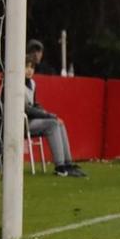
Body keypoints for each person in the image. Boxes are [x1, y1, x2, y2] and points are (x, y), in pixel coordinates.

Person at [23, 38, 85, 178]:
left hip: (31, 120)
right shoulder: (15, 83)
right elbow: (27, 109)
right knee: (52, 124)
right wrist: (47, 116)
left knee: (59, 122)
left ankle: (68, 164)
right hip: (20, 123)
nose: (29, 70)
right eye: (26, 67)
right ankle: (60, 166)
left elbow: (35, 104)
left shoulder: (32, 84)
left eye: (31, 67)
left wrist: (49, 113)